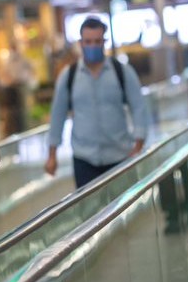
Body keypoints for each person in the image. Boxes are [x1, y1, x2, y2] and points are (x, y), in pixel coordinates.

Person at [45, 16, 148, 188]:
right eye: (88, 41)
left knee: (122, 213)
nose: (92, 46)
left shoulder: (121, 71)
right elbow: (58, 115)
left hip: (119, 157)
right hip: (84, 160)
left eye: (97, 41)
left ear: (104, 41)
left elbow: (138, 107)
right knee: (91, 213)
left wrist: (138, 144)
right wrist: (52, 155)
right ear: (81, 43)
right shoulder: (68, 76)